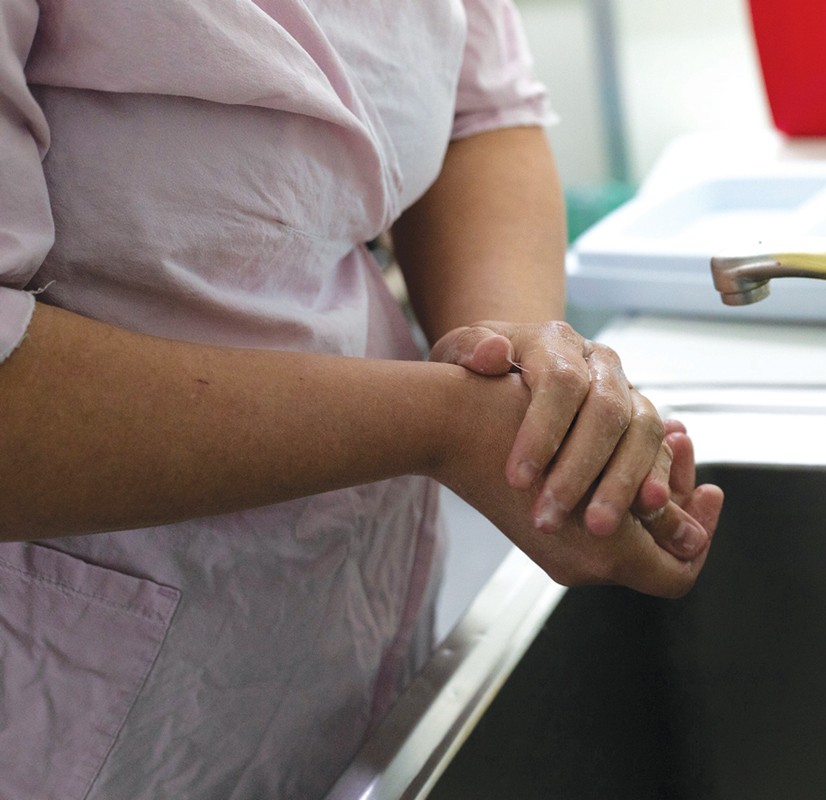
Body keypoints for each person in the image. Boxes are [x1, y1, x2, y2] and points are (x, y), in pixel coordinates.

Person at [0, 2, 724, 798]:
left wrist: (522, 372)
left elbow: (477, 106)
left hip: (345, 642)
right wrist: (445, 422)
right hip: (68, 700)